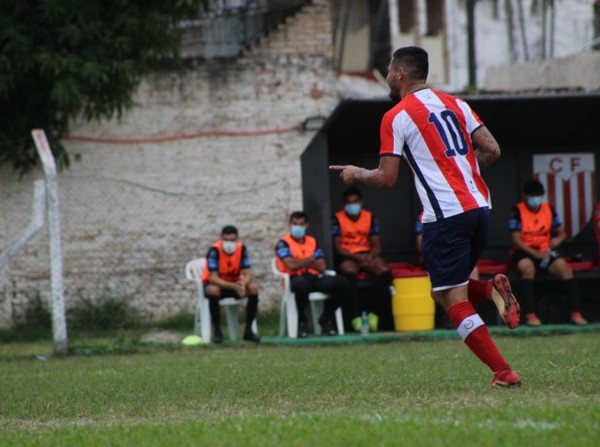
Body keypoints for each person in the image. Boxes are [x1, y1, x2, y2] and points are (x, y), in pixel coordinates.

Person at [330, 46, 522, 388]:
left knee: (452, 300)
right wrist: (461, 169)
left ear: (400, 74)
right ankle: (491, 287)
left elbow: (386, 178)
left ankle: (503, 372)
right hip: (480, 208)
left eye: (389, 72)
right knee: (443, 291)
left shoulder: (396, 116)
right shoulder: (457, 104)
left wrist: (357, 173)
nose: (387, 78)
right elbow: (492, 148)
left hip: (446, 215)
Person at [508, 180, 587, 326]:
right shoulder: (517, 211)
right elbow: (515, 239)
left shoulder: (548, 208)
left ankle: (576, 314)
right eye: (532, 196)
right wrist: (533, 252)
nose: (535, 199)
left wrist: (557, 240)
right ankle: (531, 316)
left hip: (545, 251)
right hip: (524, 251)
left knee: (565, 270)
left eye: (538, 196)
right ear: (525, 196)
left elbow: (562, 232)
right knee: (527, 268)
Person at [275, 211, 355, 338]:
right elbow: (290, 266)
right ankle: (302, 322)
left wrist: (300, 262)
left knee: (343, 284)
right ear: (289, 224)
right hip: (294, 279)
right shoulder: (283, 243)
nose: (298, 227)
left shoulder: (312, 241)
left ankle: (325, 317)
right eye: (295, 224)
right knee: (302, 285)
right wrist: (310, 260)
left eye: (301, 224)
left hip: (314, 277)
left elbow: (322, 266)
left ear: (306, 226)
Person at [331, 186, 393, 332]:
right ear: (344, 204)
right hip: (349, 255)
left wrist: (369, 256)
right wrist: (356, 257)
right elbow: (338, 248)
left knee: (385, 273)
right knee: (350, 275)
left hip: (366, 253)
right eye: (349, 202)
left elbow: (377, 245)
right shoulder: (337, 219)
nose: (353, 205)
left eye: (355, 201)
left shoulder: (370, 217)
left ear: (361, 202)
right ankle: (355, 317)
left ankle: (375, 314)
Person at [202, 225, 260, 343]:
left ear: (237, 239)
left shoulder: (242, 249)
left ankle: (248, 330)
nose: (229, 243)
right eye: (226, 240)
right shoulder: (214, 251)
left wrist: (243, 284)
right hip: (219, 285)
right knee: (213, 290)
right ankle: (217, 331)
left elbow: (247, 274)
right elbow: (213, 278)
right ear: (221, 238)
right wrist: (234, 286)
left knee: (253, 288)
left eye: (232, 240)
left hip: (236, 285)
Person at [415, 209, 479, 279]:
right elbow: (420, 241)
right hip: (436, 256)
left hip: (455, 253)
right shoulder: (427, 212)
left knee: (472, 269)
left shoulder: (458, 211)